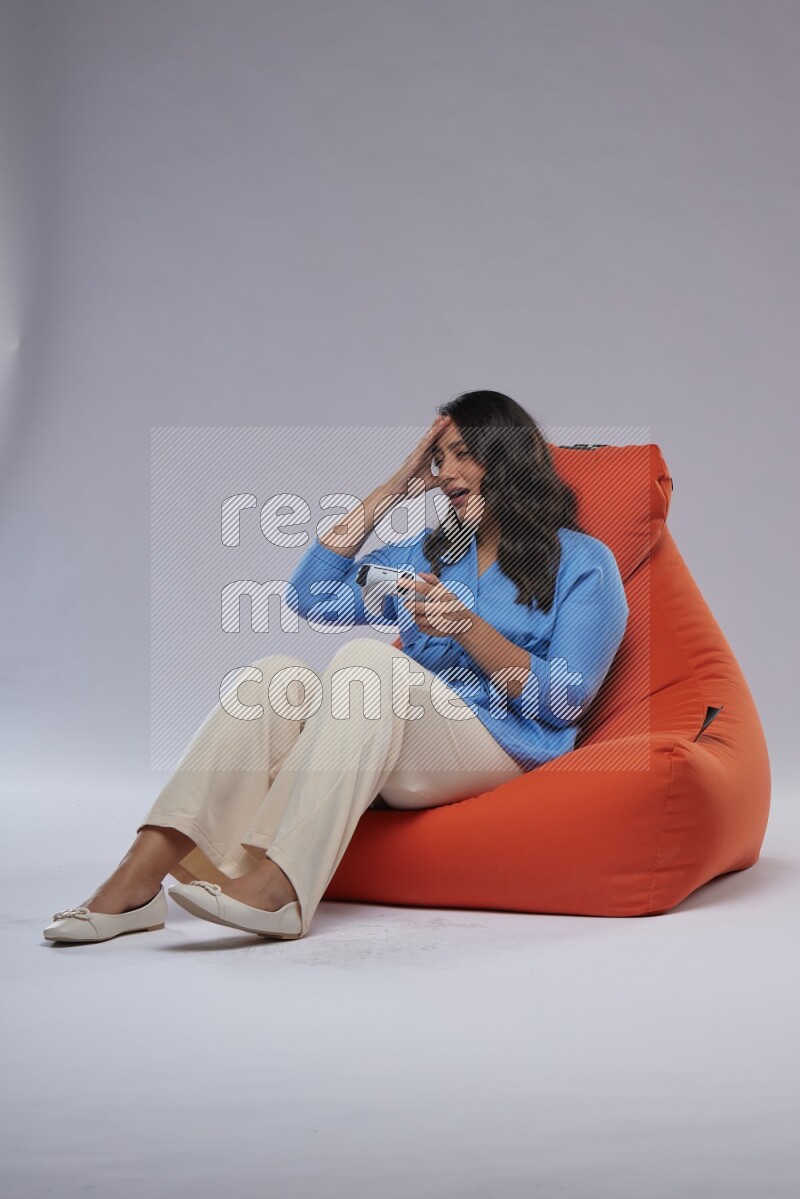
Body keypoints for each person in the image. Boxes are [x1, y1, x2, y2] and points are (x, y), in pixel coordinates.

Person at [43, 390, 629, 944]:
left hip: (501, 749)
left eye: (465, 456)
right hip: (400, 744)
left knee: (370, 664)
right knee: (274, 679)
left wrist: (468, 628)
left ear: (507, 462)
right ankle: (137, 879)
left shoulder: (582, 561)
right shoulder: (431, 553)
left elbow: (566, 701)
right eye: (438, 458)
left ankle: (280, 887)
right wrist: (392, 489)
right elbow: (310, 593)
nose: (447, 474)